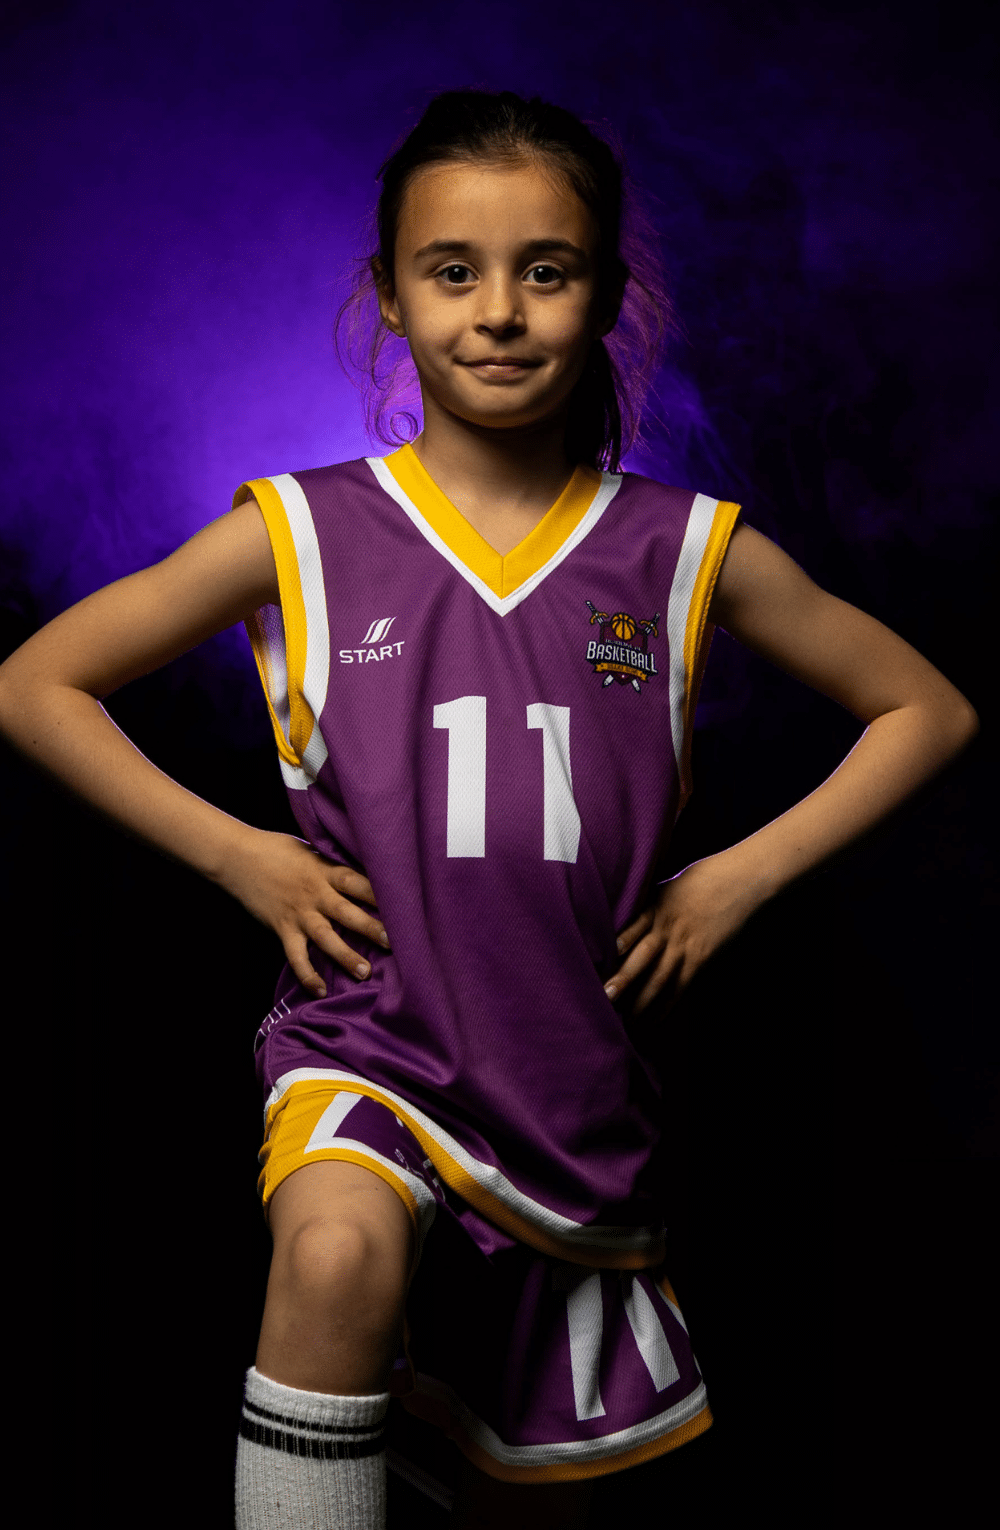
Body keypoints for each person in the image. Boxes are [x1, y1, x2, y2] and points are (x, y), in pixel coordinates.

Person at [0, 90, 978, 1530]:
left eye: (548, 269)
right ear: (389, 296)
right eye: (452, 270)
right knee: (330, 1258)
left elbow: (929, 708)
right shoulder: (301, 529)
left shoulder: (679, 548)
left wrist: (736, 878)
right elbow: (36, 681)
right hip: (370, 1044)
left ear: (608, 299)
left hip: (570, 1093)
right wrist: (240, 855)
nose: (499, 311)